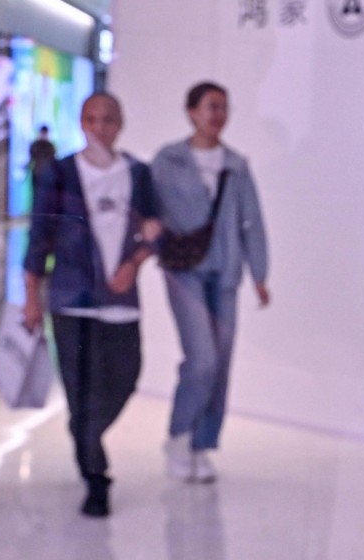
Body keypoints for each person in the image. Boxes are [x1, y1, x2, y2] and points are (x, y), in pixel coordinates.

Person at [22, 92, 160, 517]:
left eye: (109, 119)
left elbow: (155, 230)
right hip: (71, 298)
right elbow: (39, 237)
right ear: (82, 123)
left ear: (120, 124)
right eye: (92, 119)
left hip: (120, 299)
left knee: (125, 376)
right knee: (80, 390)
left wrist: (135, 263)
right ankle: (96, 478)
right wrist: (32, 299)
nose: (100, 127)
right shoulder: (60, 173)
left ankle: (84, 433)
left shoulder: (138, 173)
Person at [151, 81, 269, 483]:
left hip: (226, 271)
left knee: (220, 364)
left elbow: (251, 221)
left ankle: (202, 446)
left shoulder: (236, 164)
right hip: (184, 271)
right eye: (211, 106)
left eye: (224, 107)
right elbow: (150, 210)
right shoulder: (168, 160)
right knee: (201, 359)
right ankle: (178, 435)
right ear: (191, 112)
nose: (218, 114)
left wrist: (260, 273)